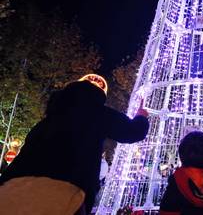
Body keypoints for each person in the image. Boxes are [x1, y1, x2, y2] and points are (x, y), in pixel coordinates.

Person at [0, 79, 149, 215]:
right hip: (64, 192)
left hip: (13, 189)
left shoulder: (47, 122)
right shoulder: (96, 113)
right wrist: (141, 116)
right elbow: (132, 132)